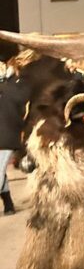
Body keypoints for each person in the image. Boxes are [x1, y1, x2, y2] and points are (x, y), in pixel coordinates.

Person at [0, 58, 30, 215]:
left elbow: (21, 107)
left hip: (6, 135)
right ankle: (9, 203)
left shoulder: (15, 85)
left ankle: (9, 203)